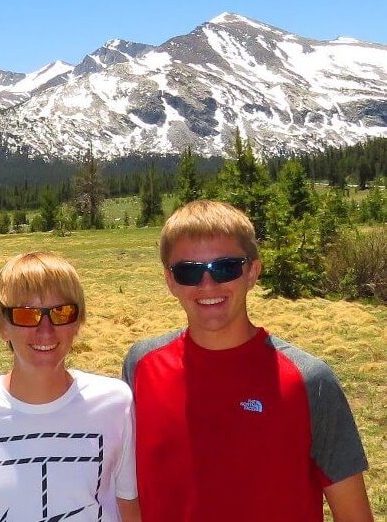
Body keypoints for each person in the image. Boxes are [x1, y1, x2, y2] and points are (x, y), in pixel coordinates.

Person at [122, 200, 373, 522]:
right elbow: (127, 489)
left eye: (225, 267)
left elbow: (354, 515)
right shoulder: (141, 365)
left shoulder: (309, 380)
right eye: (189, 271)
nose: (207, 284)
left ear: (253, 272)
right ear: (170, 281)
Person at [0, 251, 139, 522]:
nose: (46, 330)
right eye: (26, 315)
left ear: (78, 322)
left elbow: (129, 508)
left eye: (61, 312)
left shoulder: (114, 403)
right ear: (1, 325)